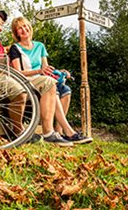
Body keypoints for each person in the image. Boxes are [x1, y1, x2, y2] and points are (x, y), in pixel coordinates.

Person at [0, 9, 72, 146]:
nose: (2, 21)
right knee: (20, 90)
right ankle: (18, 131)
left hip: (3, 76)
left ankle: (50, 132)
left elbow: (2, 56)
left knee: (52, 83)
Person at [9, 16, 92, 144]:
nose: (24, 29)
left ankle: (59, 132)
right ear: (16, 33)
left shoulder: (40, 46)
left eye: (25, 26)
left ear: (30, 28)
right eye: (19, 28)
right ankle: (61, 132)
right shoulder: (15, 48)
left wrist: (60, 72)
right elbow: (18, 73)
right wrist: (39, 72)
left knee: (65, 90)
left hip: (41, 79)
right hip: (26, 80)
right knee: (50, 85)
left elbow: (46, 69)